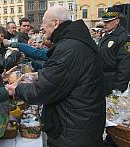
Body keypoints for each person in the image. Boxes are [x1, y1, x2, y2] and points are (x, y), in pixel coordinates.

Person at [6, 5, 106, 147]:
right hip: (84, 122)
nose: (41, 27)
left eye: (44, 22)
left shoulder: (69, 48)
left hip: (73, 130)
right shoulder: (76, 41)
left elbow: (41, 91)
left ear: (55, 23)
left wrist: (17, 88)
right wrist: (40, 74)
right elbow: (67, 76)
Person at [98, 7, 130, 95]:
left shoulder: (123, 37)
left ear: (117, 21)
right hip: (102, 81)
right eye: (104, 21)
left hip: (113, 82)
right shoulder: (107, 35)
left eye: (108, 21)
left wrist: (118, 89)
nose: (104, 24)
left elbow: (125, 66)